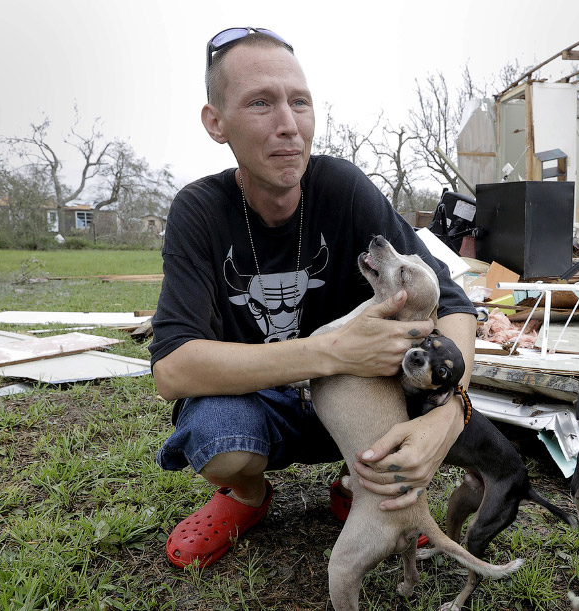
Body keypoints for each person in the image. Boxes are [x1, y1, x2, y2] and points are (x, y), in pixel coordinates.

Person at [150, 27, 477, 570]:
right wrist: (333, 351)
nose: (288, 124)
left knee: (428, 385)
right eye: (260, 103)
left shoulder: (343, 188)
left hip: (358, 405)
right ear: (216, 123)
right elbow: (173, 369)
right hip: (262, 400)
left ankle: (361, 484)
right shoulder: (198, 212)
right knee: (214, 436)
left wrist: (448, 416)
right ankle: (247, 496)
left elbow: (454, 302)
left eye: (299, 102)